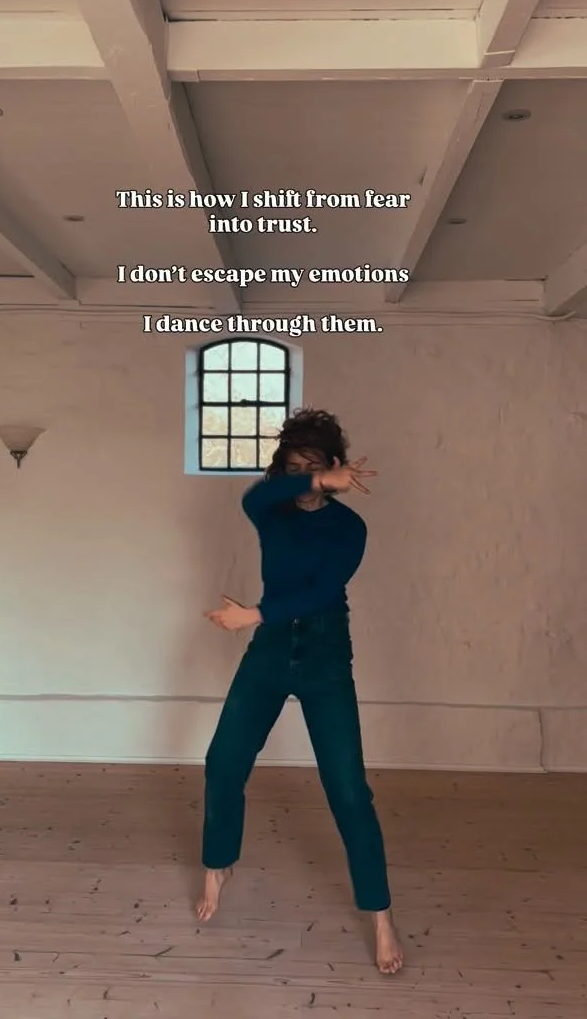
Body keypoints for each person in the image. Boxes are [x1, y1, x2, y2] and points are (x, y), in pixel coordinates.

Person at [198, 408, 403, 975]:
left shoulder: (350, 528)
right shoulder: (273, 511)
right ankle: (218, 865)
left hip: (323, 653)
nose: (304, 480)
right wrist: (315, 478)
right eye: (294, 469)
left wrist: (252, 615)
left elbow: (320, 591)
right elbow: (255, 497)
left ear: (336, 465)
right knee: (223, 763)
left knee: (348, 791)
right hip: (268, 653)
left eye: (314, 466)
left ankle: (380, 913)